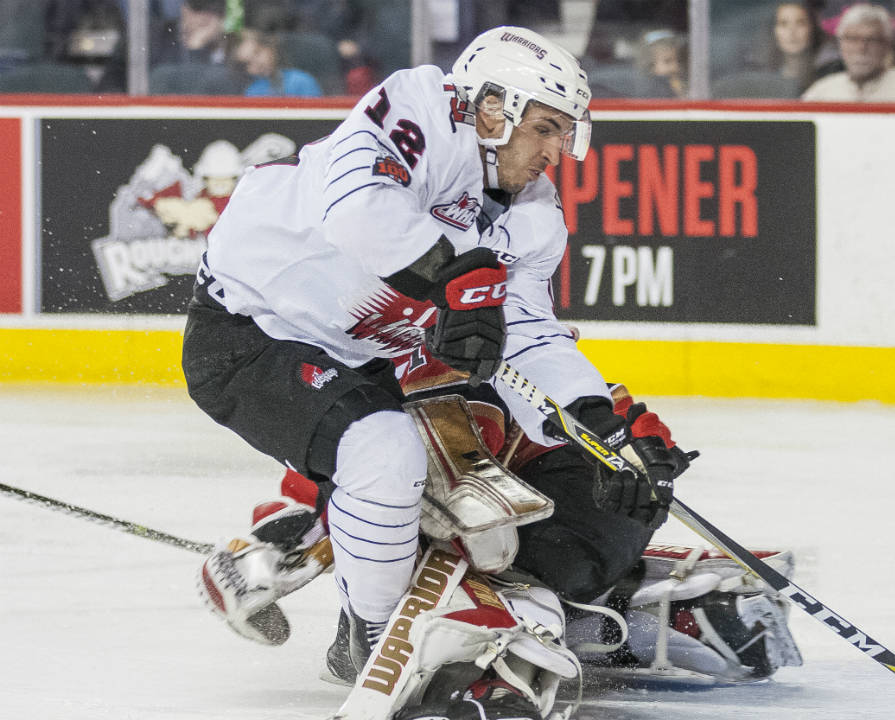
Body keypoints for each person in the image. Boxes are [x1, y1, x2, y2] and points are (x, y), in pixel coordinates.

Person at [184, 25, 711, 720]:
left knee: (448, 467)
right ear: (492, 108)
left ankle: (323, 528)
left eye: (566, 133)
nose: (558, 152)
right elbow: (356, 211)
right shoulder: (419, 108)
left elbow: (526, 331)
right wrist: (453, 277)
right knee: (383, 448)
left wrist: (603, 426)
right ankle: (369, 639)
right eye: (547, 128)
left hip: (361, 352)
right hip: (250, 329)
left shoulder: (533, 214)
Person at [802, 4, 895, 102]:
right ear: (840, 44)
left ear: (886, 45)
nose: (861, 47)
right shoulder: (822, 91)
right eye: (853, 39)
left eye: (871, 40)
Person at [234, 25, 323, 97]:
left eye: (257, 53)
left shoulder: (301, 81)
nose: (257, 63)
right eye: (248, 63)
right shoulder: (252, 92)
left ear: (270, 48)